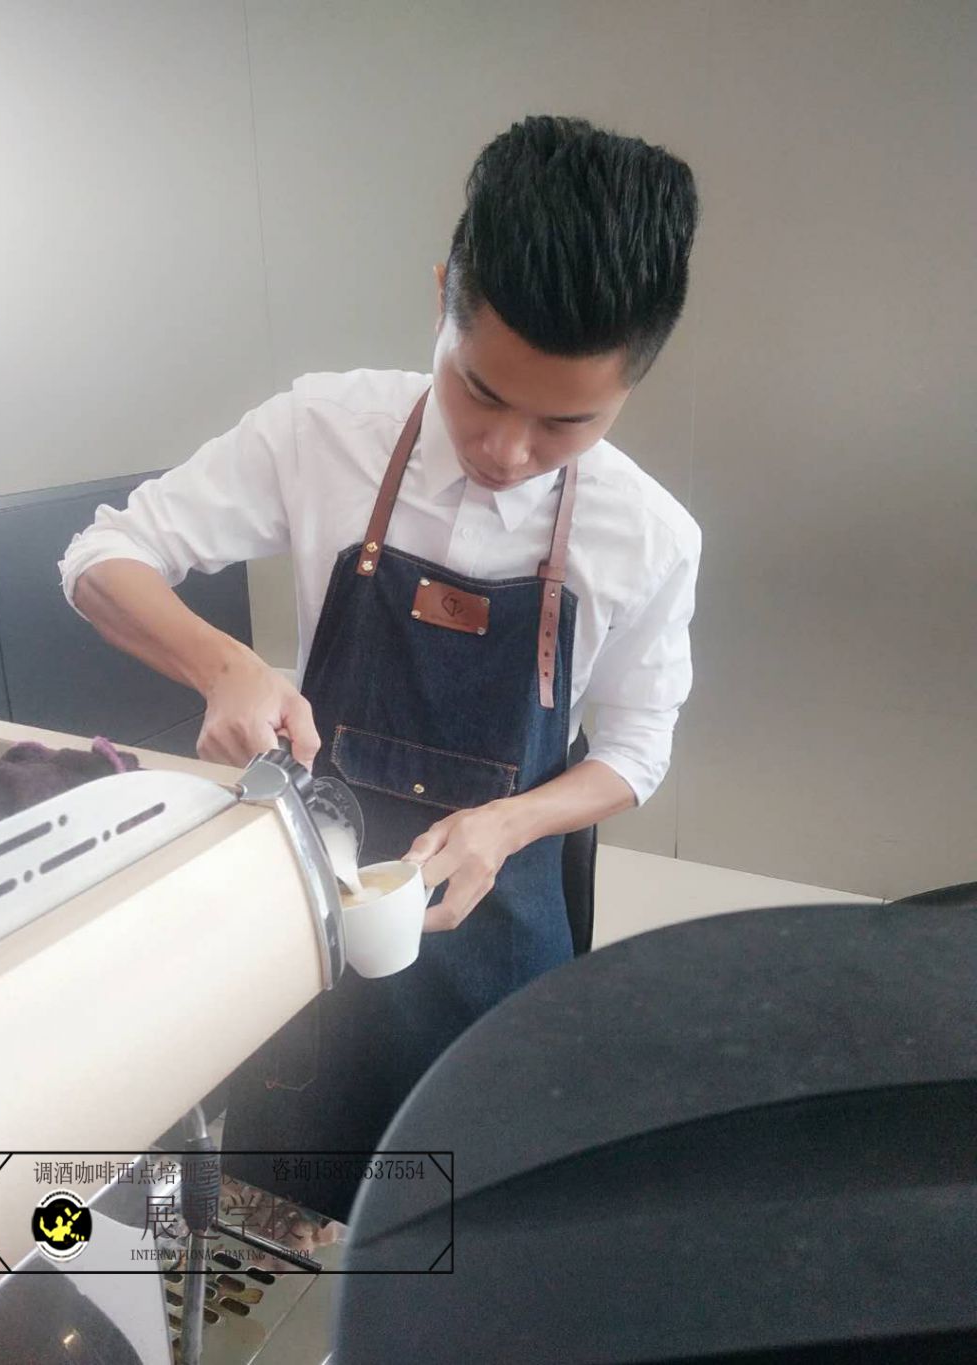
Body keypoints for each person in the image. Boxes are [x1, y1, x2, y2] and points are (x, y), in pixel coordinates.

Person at [59, 115, 701, 1221]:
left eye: (565, 424)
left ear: (632, 387)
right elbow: (99, 557)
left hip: (498, 944)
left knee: (472, 1238)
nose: (506, 452)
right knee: (281, 1227)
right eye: (479, 391)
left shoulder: (648, 536)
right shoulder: (323, 429)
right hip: (309, 924)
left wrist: (509, 823)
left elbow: (639, 750)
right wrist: (224, 666)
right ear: (444, 295)